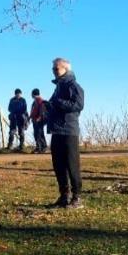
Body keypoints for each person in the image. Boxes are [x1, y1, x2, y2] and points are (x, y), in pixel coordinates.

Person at [48, 58, 85, 208]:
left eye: (56, 69)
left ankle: (77, 197)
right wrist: (48, 106)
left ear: (65, 69)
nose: (54, 71)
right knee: (58, 165)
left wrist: (58, 103)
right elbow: (54, 104)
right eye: (53, 69)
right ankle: (64, 195)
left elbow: (78, 105)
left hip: (69, 130)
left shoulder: (74, 86)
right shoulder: (58, 87)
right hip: (56, 130)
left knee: (72, 165)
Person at [29, 88, 48, 153]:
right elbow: (33, 111)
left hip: (39, 120)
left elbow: (42, 110)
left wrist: (39, 118)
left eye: (31, 94)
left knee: (39, 133)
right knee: (36, 134)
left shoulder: (40, 101)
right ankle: (38, 147)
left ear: (33, 94)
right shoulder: (35, 101)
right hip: (35, 120)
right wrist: (30, 117)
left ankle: (43, 147)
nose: (31, 95)